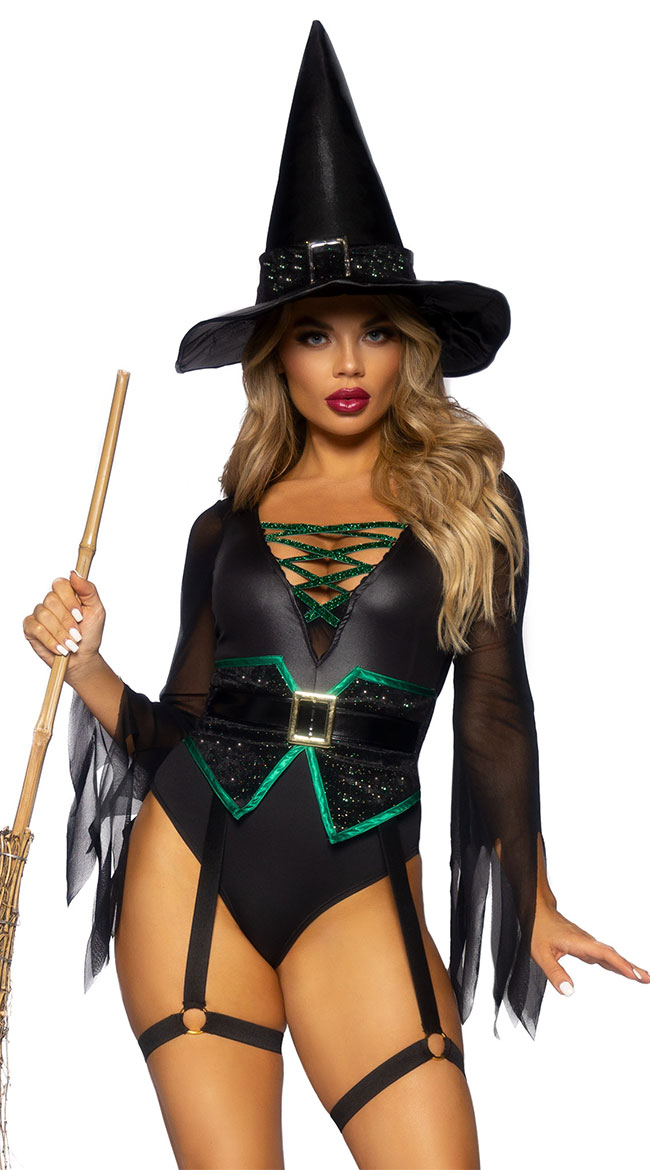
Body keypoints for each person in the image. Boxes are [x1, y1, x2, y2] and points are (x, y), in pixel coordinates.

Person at [22, 21, 648, 1170]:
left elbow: (493, 713)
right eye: (315, 335)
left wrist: (530, 893)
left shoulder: (474, 506)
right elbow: (185, 730)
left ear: (411, 347)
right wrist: (88, 662)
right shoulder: (225, 528)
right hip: (191, 870)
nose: (348, 364)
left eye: (373, 333)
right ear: (279, 356)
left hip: (359, 875)